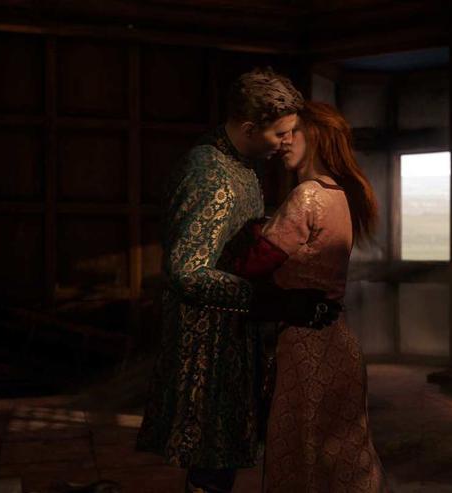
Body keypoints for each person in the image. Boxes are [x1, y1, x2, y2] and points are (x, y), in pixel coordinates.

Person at [135, 69, 340, 493]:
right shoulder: (210, 173)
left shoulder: (242, 165)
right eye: (280, 133)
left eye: (292, 131)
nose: (288, 141)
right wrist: (276, 301)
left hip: (232, 331)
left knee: (221, 460)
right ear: (248, 128)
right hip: (205, 343)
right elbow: (187, 271)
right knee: (211, 462)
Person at [229, 101, 388, 492]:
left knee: (302, 458)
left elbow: (253, 264)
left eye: (292, 132)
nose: (283, 142)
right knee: (344, 460)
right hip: (338, 342)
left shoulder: (307, 196)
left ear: (315, 135)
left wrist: (242, 233)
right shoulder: (340, 195)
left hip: (306, 346)